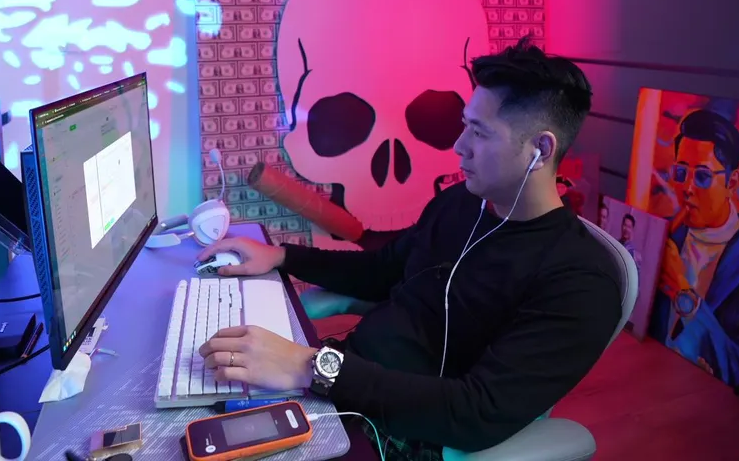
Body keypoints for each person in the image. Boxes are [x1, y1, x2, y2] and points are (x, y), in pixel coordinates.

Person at [195, 38, 621, 459]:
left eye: (479, 132)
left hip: (398, 435)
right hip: (341, 380)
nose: (459, 146)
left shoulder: (580, 283)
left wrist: (309, 366)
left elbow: (474, 413)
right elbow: (383, 269)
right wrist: (284, 257)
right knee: (195, 411)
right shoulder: (461, 203)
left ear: (540, 150)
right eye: (465, 125)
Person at [647, 108, 739, 395]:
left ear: (731, 182)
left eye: (703, 177)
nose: (687, 188)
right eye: (681, 173)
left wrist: (681, 290)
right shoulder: (661, 235)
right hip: (648, 380)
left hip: (707, 403)